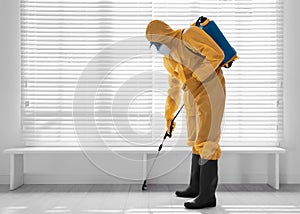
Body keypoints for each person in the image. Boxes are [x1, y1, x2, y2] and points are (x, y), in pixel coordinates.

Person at [146, 20, 226, 209]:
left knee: (207, 141)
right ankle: (195, 187)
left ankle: (207, 196)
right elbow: (174, 88)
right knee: (195, 141)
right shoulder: (168, 59)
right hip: (192, 96)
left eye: (157, 43)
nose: (157, 48)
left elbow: (217, 54)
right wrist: (168, 114)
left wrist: (197, 77)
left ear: (164, 36)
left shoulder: (189, 35)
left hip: (211, 91)